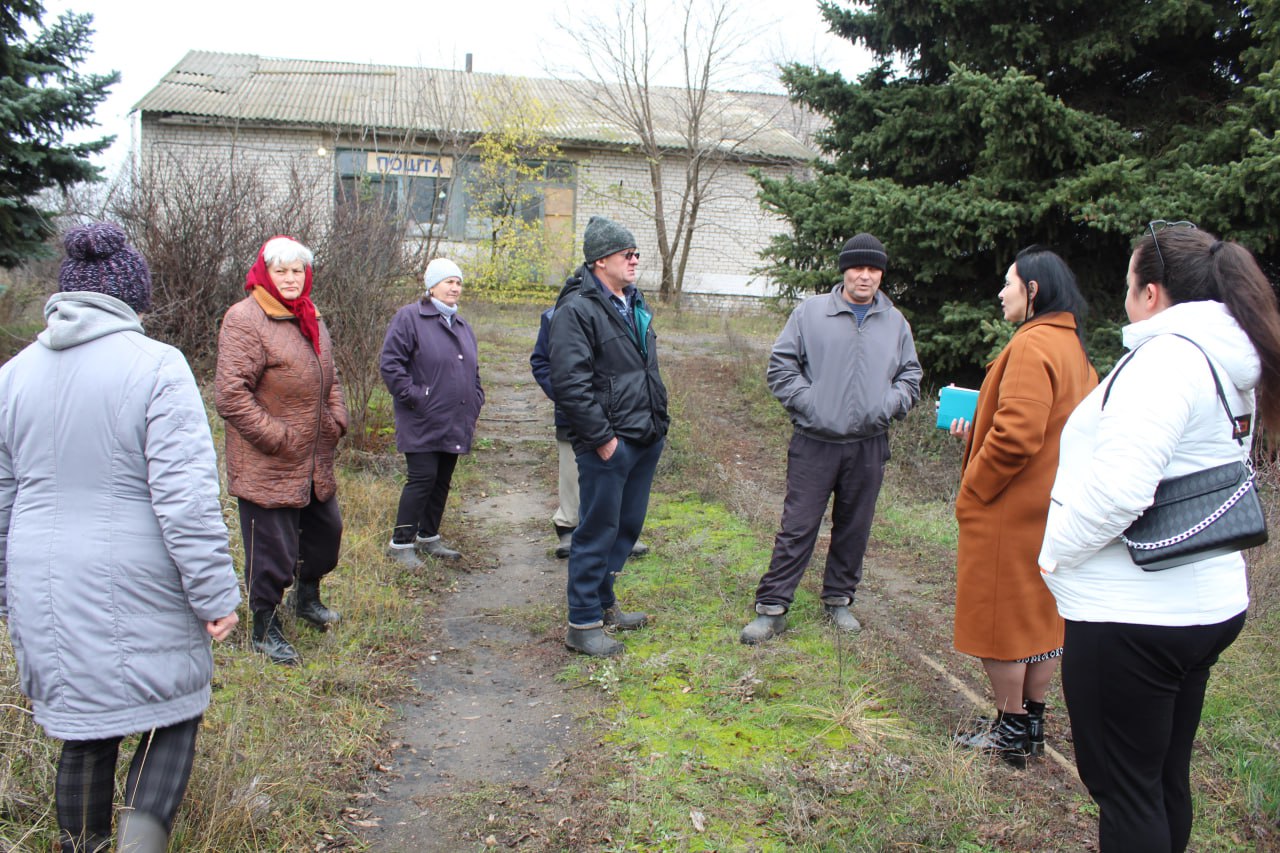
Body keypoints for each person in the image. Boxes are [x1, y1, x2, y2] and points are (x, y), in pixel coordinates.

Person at [1038, 222, 1280, 851]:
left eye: (1127, 285)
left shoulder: (1166, 360)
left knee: (1127, 791)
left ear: (1151, 294)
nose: (1124, 298)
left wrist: (1055, 550)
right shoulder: (1222, 358)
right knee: (1162, 778)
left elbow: (1121, 490)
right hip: (1203, 601)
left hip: (1133, 615)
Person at [0, 223, 241, 852]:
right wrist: (215, 593)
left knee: (85, 726)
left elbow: (1, 500)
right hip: (138, 577)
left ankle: (84, 848)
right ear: (134, 298)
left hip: (42, 581)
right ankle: (140, 844)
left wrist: (7, 592)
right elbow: (185, 499)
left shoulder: (14, 375)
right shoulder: (158, 366)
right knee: (175, 708)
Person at [948, 246, 1097, 765]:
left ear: (1032, 290)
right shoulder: (1072, 348)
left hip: (1009, 512)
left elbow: (1016, 437)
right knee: (1039, 619)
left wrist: (973, 491)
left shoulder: (1033, 347)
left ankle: (1010, 730)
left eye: (1008, 283)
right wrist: (978, 427)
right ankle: (1031, 722)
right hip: (1050, 509)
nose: (1001, 292)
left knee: (1001, 621)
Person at [741, 233, 922, 644]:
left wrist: (888, 404)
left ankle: (838, 600)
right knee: (798, 525)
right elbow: (781, 368)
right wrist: (813, 404)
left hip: (869, 444)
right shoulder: (811, 313)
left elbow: (910, 375)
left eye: (874, 269)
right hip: (815, 441)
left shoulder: (894, 322)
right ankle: (772, 608)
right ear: (844, 271)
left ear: (881, 274)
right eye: (858, 268)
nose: (865, 276)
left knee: (854, 526)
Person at [215, 235, 348, 666]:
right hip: (267, 462)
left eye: (297, 271)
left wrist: (335, 419)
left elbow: (332, 379)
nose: (291, 279)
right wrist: (278, 437)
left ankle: (306, 600)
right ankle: (263, 626)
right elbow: (231, 395)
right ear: (265, 273)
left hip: (313, 461)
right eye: (281, 271)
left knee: (326, 537)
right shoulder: (246, 318)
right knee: (272, 552)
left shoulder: (310, 316)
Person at [549, 216, 669, 656]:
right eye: (627, 253)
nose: (635, 260)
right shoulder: (577, 309)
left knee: (625, 528)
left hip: (644, 434)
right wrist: (602, 439)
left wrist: (658, 427)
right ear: (601, 260)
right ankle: (582, 624)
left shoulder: (632, 302)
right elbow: (570, 383)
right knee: (596, 531)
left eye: (637, 253)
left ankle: (604, 603)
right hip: (608, 443)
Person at [380, 258, 484, 566]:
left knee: (441, 479)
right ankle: (400, 544)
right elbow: (391, 364)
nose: (455, 287)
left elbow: (472, 369)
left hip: (455, 418)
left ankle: (428, 537)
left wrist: (476, 397)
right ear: (432, 286)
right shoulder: (410, 318)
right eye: (448, 281)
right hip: (422, 417)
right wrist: (416, 397)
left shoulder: (462, 324)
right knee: (422, 478)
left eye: (458, 282)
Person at [530, 305, 648, 560]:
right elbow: (541, 362)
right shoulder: (557, 315)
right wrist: (567, 396)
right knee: (572, 473)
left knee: (619, 472)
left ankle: (620, 530)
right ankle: (569, 527)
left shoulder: (628, 311)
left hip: (620, 413)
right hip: (574, 412)